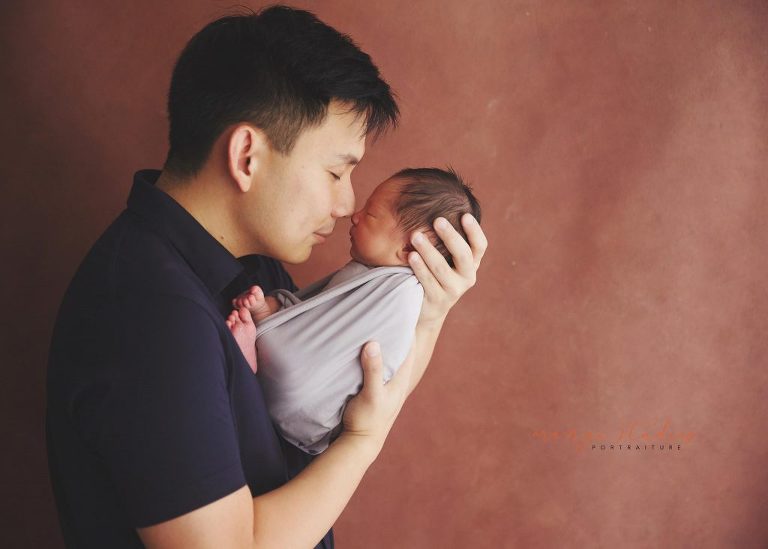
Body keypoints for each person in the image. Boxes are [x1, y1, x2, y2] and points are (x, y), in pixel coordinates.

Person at [46, 6, 487, 549]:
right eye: (335, 171)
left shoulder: (249, 266)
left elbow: (370, 384)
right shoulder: (150, 313)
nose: (348, 200)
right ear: (247, 156)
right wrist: (363, 439)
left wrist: (428, 312)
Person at [225, 168, 482, 455]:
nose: (354, 214)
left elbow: (376, 363)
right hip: (298, 397)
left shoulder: (402, 293)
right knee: (280, 329)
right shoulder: (370, 273)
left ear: (410, 245)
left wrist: (432, 318)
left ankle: (254, 357)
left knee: (287, 370)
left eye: (370, 215)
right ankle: (263, 334)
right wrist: (272, 308)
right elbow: (316, 316)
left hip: (304, 401)